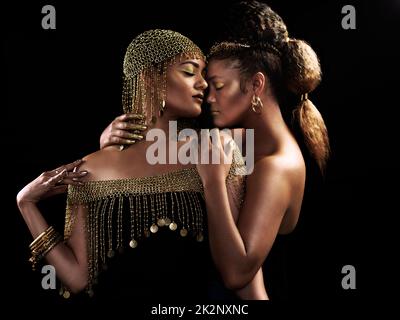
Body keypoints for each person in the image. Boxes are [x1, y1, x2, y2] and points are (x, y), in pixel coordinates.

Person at [101, 1, 330, 299]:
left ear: (255, 85)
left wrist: (212, 183)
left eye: (218, 86)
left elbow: (237, 274)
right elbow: (156, 157)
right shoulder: (240, 140)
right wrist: (110, 144)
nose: (208, 97)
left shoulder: (277, 165)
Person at [16, 29, 248, 302]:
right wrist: (26, 204)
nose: (204, 84)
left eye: (203, 75)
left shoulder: (217, 151)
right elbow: (77, 279)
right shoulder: (92, 167)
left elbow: (236, 272)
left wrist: (213, 182)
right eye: (189, 72)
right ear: (150, 79)